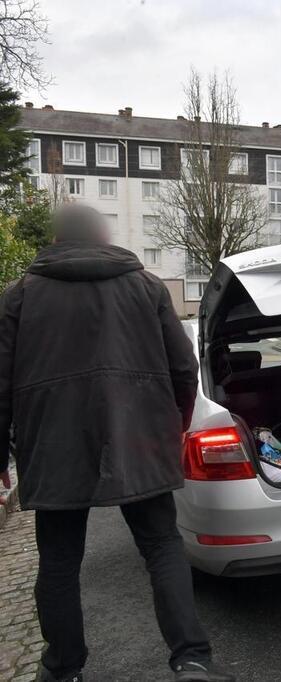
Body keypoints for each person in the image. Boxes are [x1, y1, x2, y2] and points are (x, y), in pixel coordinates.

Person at [0, 205, 234, 682]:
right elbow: (184, 367)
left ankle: (63, 668)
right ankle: (192, 660)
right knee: (162, 546)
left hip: (52, 442)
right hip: (140, 435)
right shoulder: (146, 287)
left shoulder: (19, 296)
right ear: (103, 237)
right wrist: (177, 423)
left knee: (60, 560)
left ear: (57, 238)